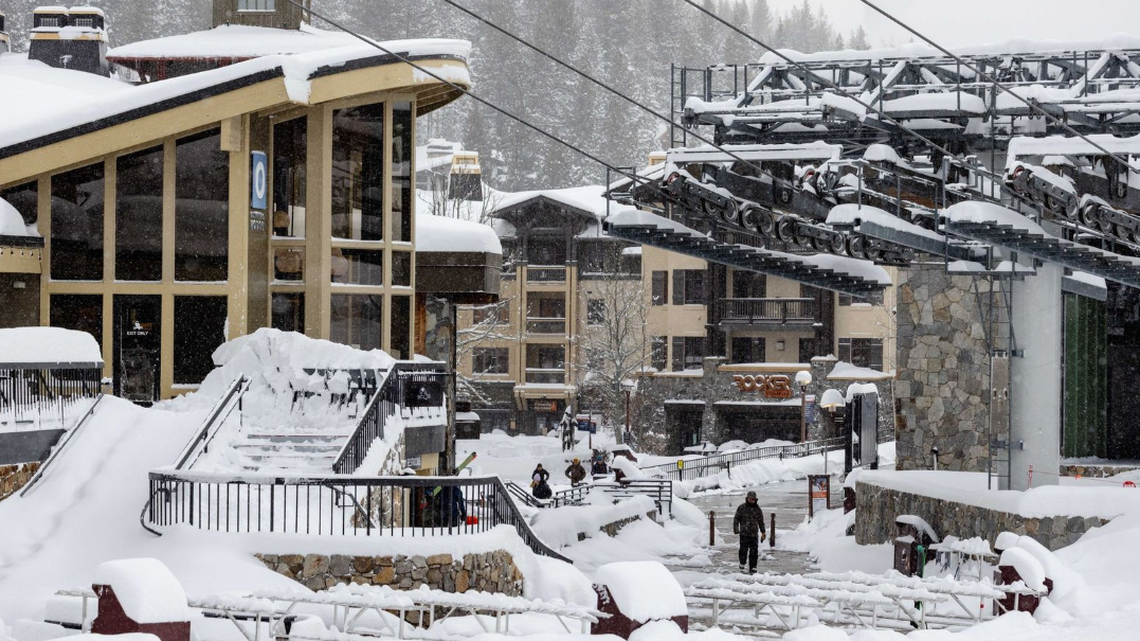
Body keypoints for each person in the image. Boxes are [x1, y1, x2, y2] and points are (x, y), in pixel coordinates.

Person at [733, 490, 766, 574]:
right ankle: (742, 563)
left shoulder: (757, 510)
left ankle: (753, 566)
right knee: (743, 550)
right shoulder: (742, 508)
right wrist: (736, 529)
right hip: (744, 533)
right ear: (747, 498)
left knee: (754, 552)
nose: (752, 500)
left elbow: (761, 521)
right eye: (750, 499)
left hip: (754, 534)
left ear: (755, 500)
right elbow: (736, 519)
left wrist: (763, 532)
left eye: (753, 499)